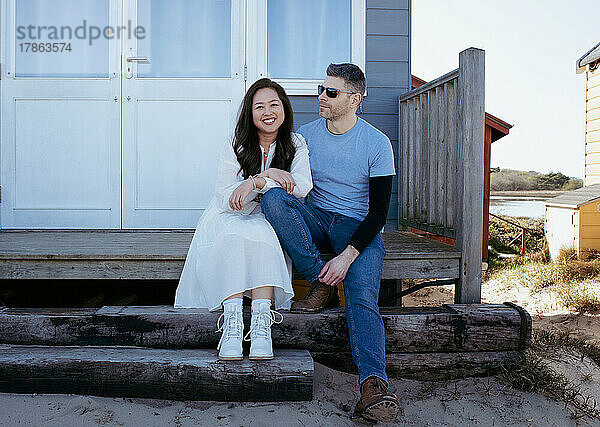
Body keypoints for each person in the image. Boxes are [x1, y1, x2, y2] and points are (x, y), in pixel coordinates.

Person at [260, 64, 401, 423]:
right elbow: (282, 179)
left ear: (355, 99)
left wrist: (347, 257)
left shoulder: (376, 143)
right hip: (317, 218)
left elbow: (379, 213)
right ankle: (319, 283)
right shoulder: (304, 135)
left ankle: (373, 386)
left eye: (331, 92)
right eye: (321, 89)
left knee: (361, 295)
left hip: (358, 228)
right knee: (274, 200)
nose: (321, 97)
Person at [174, 78, 313, 362]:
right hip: (229, 215)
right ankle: (233, 325)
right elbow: (228, 198)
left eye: (274, 104)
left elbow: (302, 186)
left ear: (284, 108)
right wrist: (267, 178)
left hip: (270, 216)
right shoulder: (235, 144)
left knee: (262, 234)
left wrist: (259, 181)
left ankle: (262, 324)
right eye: (259, 106)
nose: (268, 112)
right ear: (250, 114)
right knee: (235, 233)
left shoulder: (296, 143)